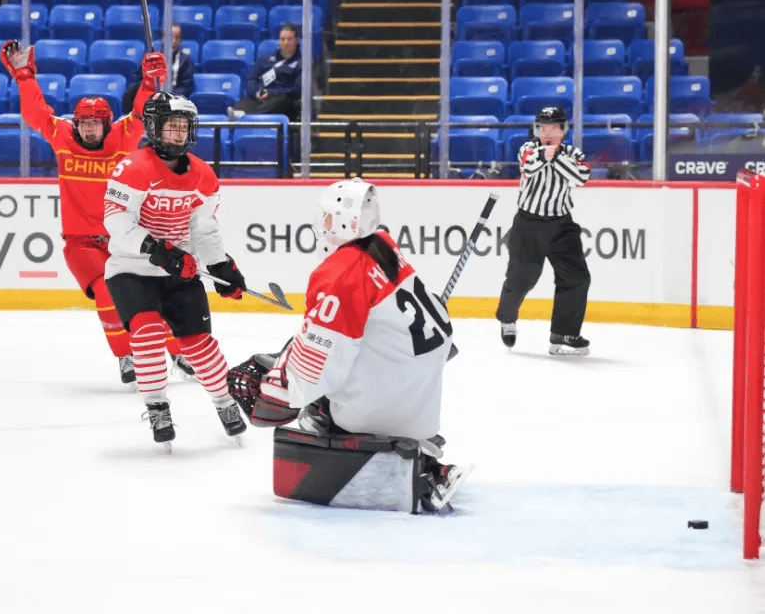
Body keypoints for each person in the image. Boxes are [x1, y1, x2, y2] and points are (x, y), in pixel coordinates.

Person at [231, 179, 470, 512]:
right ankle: (415, 450)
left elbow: (318, 368)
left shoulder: (339, 273)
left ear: (340, 222)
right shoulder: (383, 245)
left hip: (384, 408)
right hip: (423, 401)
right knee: (309, 347)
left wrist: (275, 391)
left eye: (327, 219)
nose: (323, 227)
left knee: (313, 407)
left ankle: (382, 463)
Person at [0, 40, 192, 385]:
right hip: (81, 243)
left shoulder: (123, 137)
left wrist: (149, 83)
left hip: (124, 240)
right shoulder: (62, 136)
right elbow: (36, 114)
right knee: (107, 290)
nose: (88, 129)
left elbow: (141, 113)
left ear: (107, 124)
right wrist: (24, 77)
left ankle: (177, 351)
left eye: (95, 123)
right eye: (83, 123)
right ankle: (126, 356)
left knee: (152, 297)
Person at [102, 91, 249, 449]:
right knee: (149, 332)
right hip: (130, 267)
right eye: (171, 128)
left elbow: (204, 230)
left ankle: (225, 401)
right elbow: (116, 221)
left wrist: (222, 266)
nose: (178, 135)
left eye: (183, 128)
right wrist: (158, 249)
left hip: (178, 268)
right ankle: (157, 406)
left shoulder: (202, 175)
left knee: (199, 345)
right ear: (153, 128)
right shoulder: (132, 167)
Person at [495, 106, 592, 356]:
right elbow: (528, 168)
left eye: (554, 127)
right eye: (543, 127)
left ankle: (564, 333)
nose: (548, 132)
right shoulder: (527, 149)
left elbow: (581, 176)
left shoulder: (573, 153)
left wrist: (556, 157)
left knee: (577, 277)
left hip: (562, 225)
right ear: (537, 130)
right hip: (528, 225)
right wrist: (548, 156)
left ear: (563, 130)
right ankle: (507, 318)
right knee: (522, 278)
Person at [227, 23, 302, 122]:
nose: (285, 42)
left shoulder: (302, 63)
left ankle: (246, 117)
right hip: (260, 98)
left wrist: (271, 93)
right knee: (241, 104)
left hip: (281, 100)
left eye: (289, 39)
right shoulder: (265, 59)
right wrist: (257, 92)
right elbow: (251, 79)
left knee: (282, 100)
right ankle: (245, 115)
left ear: (296, 40)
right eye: (282, 39)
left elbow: (297, 90)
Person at [122, 23, 195, 115]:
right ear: (163, 39)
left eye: (177, 38)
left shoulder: (185, 60)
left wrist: (167, 95)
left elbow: (187, 87)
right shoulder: (151, 58)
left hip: (173, 101)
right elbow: (137, 79)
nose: (174, 41)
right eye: (171, 38)